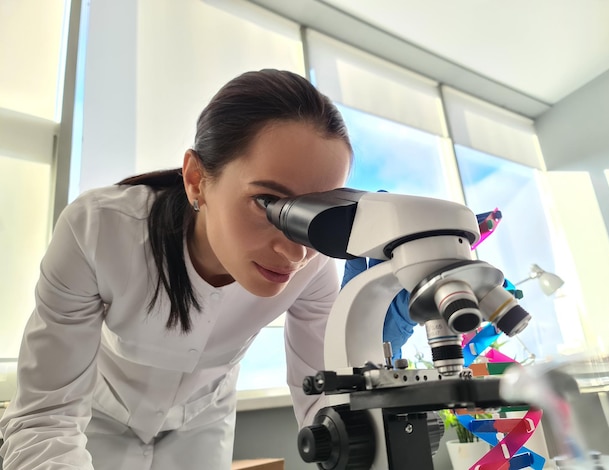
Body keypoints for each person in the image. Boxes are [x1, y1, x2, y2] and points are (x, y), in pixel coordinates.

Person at [0, 69, 413, 470]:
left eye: (315, 214)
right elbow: (44, 417)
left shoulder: (315, 265)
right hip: (96, 418)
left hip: (203, 422)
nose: (294, 252)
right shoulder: (98, 231)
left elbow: (326, 408)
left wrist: (366, 357)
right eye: (268, 202)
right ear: (197, 179)